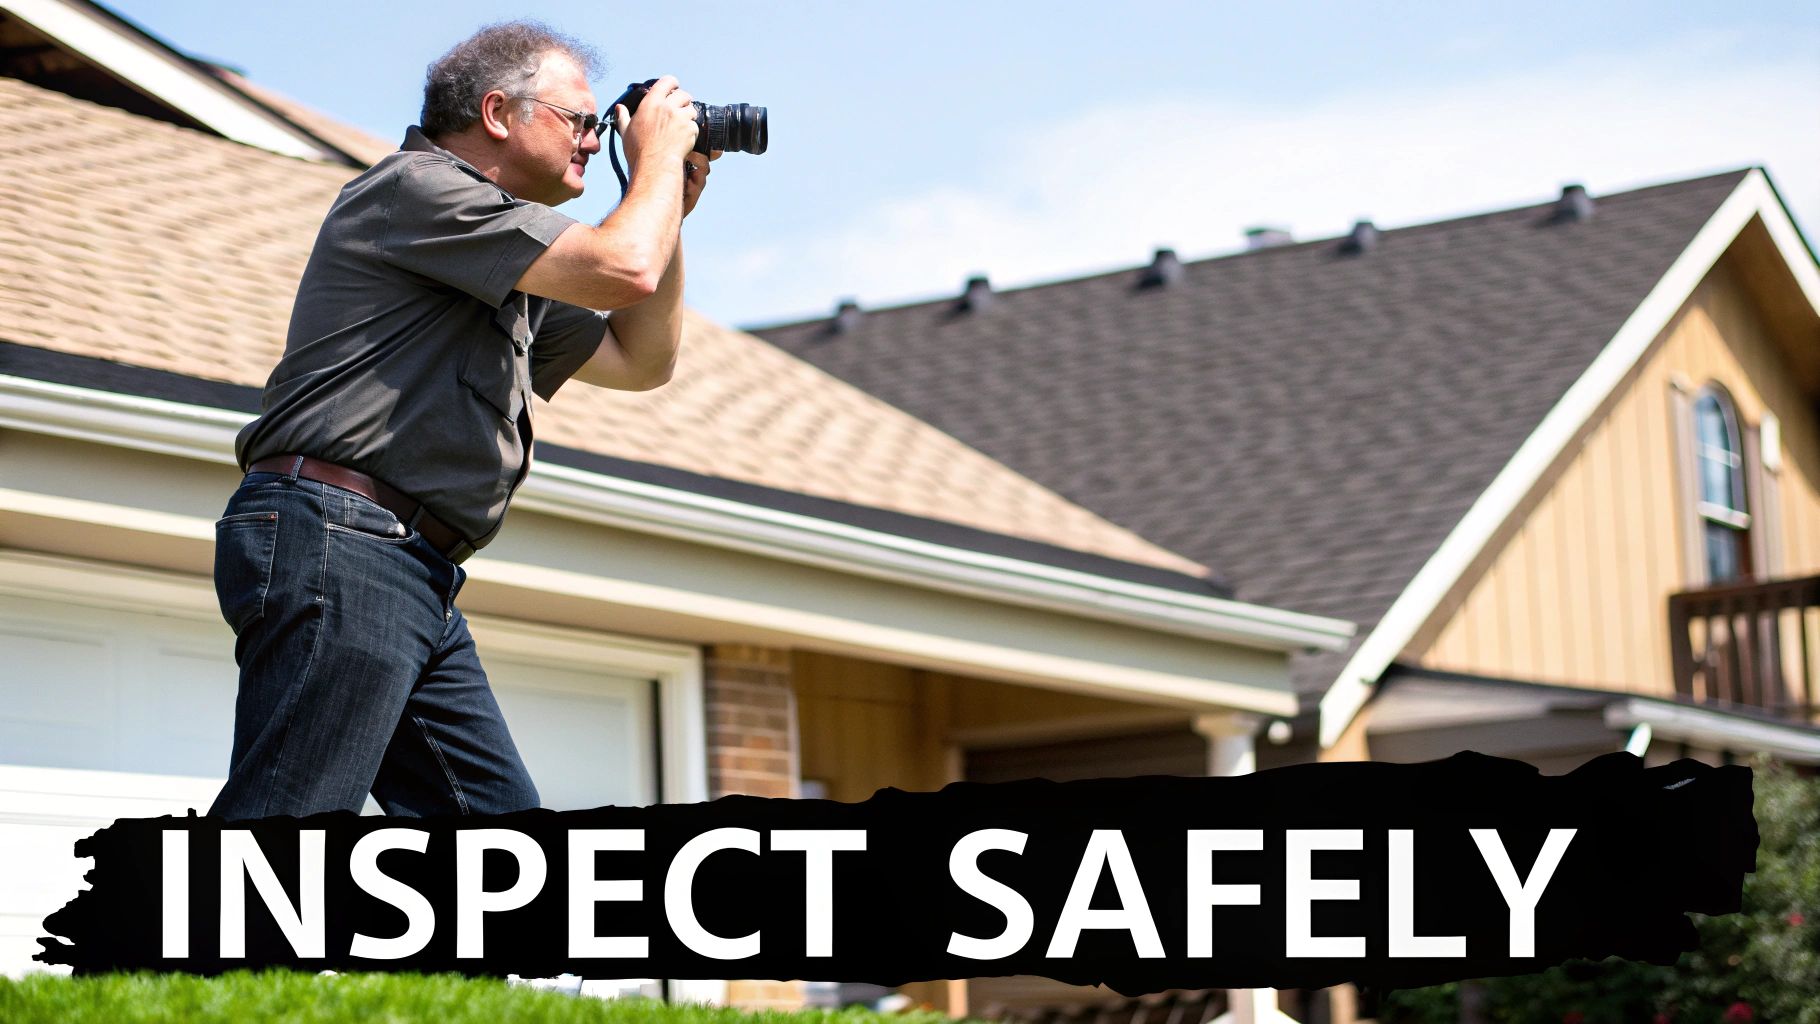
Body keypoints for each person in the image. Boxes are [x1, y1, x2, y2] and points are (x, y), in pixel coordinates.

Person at [208, 21, 711, 819]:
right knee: (285, 826)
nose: (593, 139)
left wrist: (669, 203)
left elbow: (641, 359)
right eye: (580, 121)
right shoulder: (416, 189)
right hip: (344, 535)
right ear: (499, 113)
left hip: (410, 566)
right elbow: (625, 267)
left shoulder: (510, 258)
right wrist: (647, 164)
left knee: (503, 859)